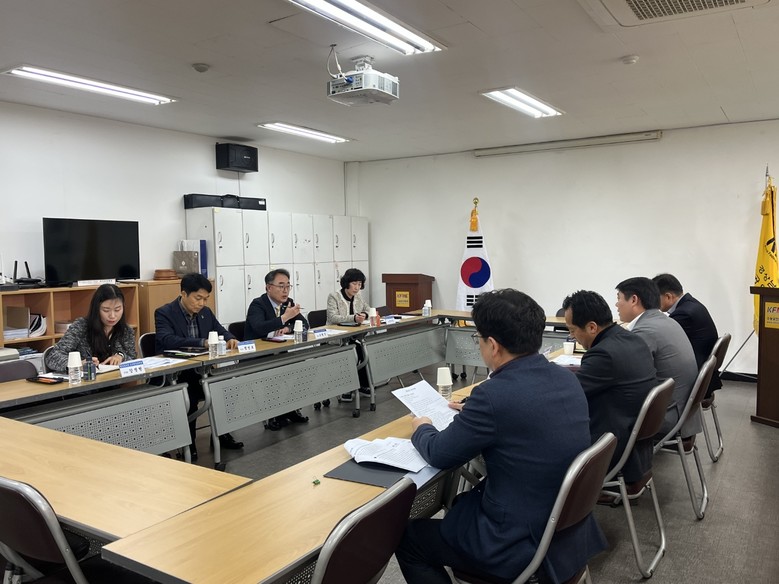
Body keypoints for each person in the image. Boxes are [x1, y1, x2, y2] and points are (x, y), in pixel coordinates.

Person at [396, 289, 605, 584]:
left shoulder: (493, 395)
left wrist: (423, 426)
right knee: (461, 505)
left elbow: (440, 453)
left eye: (478, 338)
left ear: (493, 345)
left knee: (409, 539)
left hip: (518, 542)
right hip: (565, 532)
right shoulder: (566, 379)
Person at [563, 290, 658, 483]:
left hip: (609, 447)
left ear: (592, 327)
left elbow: (568, 395)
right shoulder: (632, 339)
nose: (572, 337)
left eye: (572, 331)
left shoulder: (603, 354)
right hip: (635, 443)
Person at [155, 273, 243, 459]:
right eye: (198, 298)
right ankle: (188, 443)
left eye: (205, 299)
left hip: (201, 370)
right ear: (184, 294)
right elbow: (167, 339)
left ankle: (221, 434)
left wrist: (230, 338)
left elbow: (220, 330)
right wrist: (201, 342)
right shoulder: (164, 312)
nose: (202, 303)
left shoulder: (206, 313)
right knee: (190, 396)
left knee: (225, 387)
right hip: (176, 373)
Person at [615, 277, 700, 437]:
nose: (616, 305)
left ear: (633, 300)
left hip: (667, 416)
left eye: (618, 298)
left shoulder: (645, 331)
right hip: (682, 410)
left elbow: (625, 377)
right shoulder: (665, 321)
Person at [244, 268, 310, 431]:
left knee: (301, 366)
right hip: (257, 356)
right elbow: (259, 328)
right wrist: (285, 318)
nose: (285, 290)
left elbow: (304, 324)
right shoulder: (258, 304)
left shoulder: (288, 303)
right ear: (269, 287)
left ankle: (290, 410)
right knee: (275, 374)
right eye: (281, 286)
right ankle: (273, 415)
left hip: (278, 353)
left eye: (288, 286)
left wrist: (288, 328)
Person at [652, 273, 722, 398]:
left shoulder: (683, 314)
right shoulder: (691, 304)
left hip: (692, 377)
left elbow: (662, 340)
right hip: (703, 370)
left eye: (655, 298)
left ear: (668, 296)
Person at [45, 284, 136, 372]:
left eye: (117, 310)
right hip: (84, 381)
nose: (112, 316)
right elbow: (53, 357)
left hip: (113, 381)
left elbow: (133, 359)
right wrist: (79, 364)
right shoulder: (81, 326)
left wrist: (121, 356)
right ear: (96, 309)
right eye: (106, 310)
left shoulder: (126, 330)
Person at [326, 268, 372, 400]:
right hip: (336, 338)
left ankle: (361, 385)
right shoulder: (334, 296)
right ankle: (347, 388)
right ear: (346, 283)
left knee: (363, 349)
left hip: (353, 336)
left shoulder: (358, 296)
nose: (357, 287)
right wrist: (354, 318)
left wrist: (365, 314)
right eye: (354, 283)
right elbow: (333, 317)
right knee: (354, 352)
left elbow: (368, 309)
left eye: (359, 284)